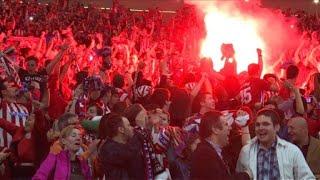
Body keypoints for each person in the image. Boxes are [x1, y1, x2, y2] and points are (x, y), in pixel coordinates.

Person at [236, 109, 315, 179]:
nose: (260, 128)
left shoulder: (292, 151)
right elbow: (239, 176)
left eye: (266, 124)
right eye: (257, 125)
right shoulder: (246, 151)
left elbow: (307, 177)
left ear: (277, 127)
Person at [191, 111, 250, 180]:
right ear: (215, 129)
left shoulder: (220, 151)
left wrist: (244, 126)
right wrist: (247, 175)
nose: (230, 128)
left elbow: (247, 147)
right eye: (226, 125)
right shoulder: (204, 153)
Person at [98, 113, 134, 179]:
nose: (132, 128)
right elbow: (131, 156)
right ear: (121, 130)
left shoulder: (126, 145)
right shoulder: (109, 149)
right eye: (128, 125)